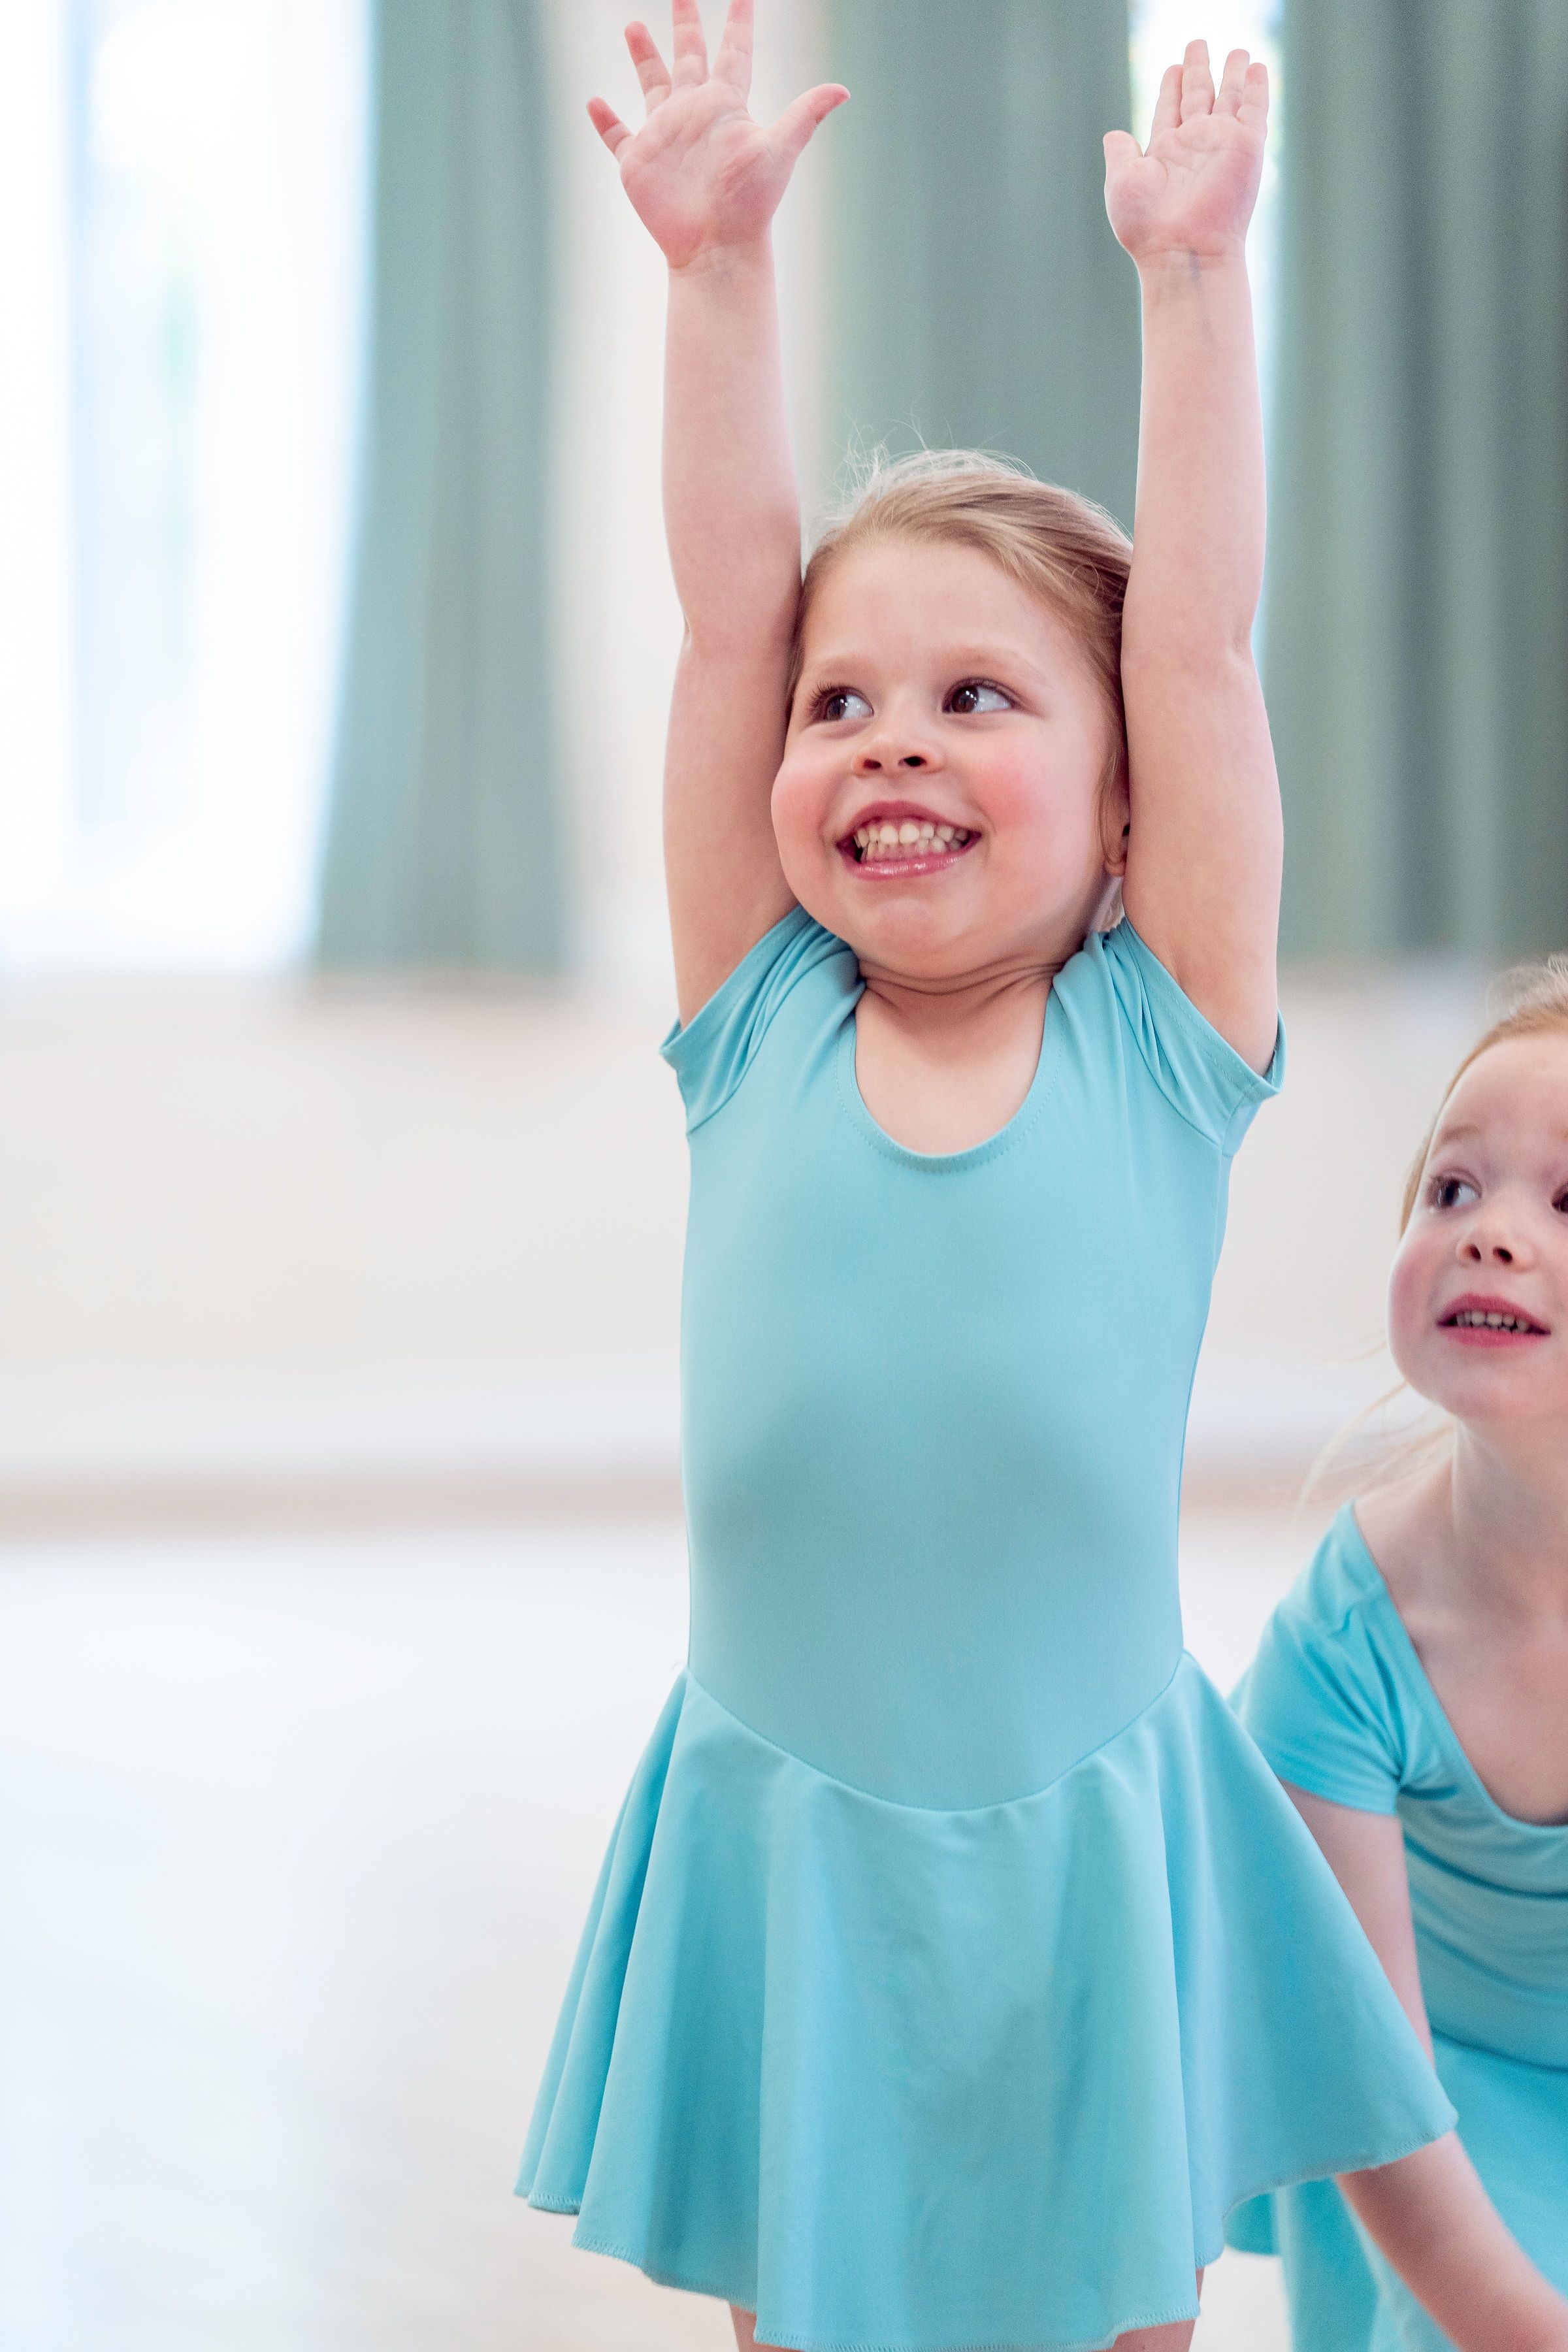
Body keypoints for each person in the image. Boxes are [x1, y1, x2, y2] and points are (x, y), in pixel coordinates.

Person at [520, 10, 1456, 2347]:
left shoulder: (1158, 1040)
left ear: (1126, 802)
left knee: (1112, 2302)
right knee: (806, 2302)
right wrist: (716, 279)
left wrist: (1194, 290)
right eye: (847, 707)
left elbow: (1207, 653)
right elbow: (735, 600)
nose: (890, 741)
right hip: (790, 1821)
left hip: (1087, 1828)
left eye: (977, 698)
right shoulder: (762, 1022)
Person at [1228, 970, 1568, 2349]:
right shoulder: (1346, 1640)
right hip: (1427, 2100)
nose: (1490, 1236)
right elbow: (1362, 2079)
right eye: (1452, 1189)